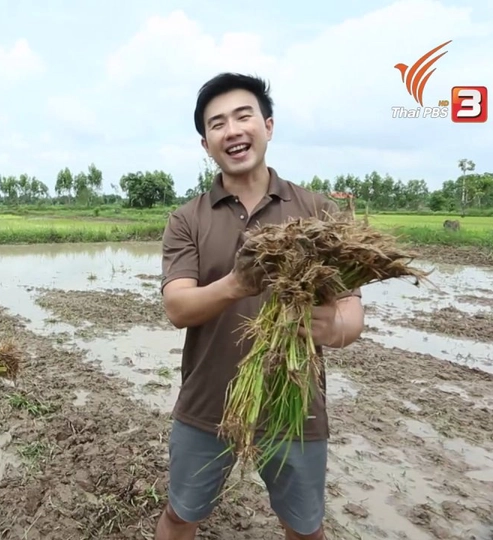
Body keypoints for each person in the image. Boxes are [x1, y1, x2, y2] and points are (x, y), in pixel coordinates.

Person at [155, 73, 366, 540]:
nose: (232, 131)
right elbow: (177, 308)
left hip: (296, 405)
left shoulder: (318, 213)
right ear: (206, 144)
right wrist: (236, 284)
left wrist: (333, 327)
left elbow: (351, 312)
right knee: (181, 515)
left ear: (268, 126)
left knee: (304, 527)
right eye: (217, 124)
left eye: (243, 116)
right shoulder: (186, 219)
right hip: (207, 405)